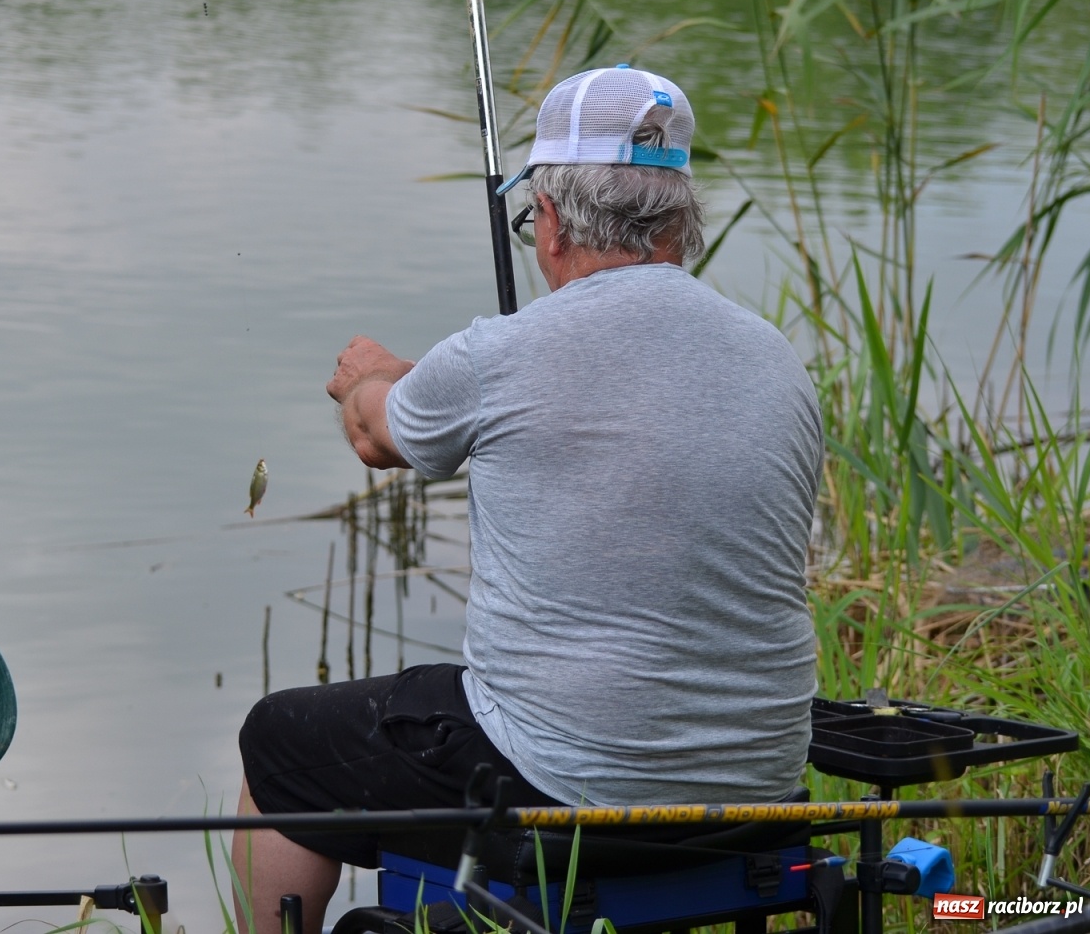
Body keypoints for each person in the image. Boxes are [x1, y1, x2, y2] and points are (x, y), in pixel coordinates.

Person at [231, 66, 823, 934]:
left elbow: (374, 433)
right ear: (680, 218)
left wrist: (374, 375)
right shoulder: (777, 360)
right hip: (761, 787)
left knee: (279, 741)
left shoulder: (498, 356)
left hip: (560, 784)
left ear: (547, 220)